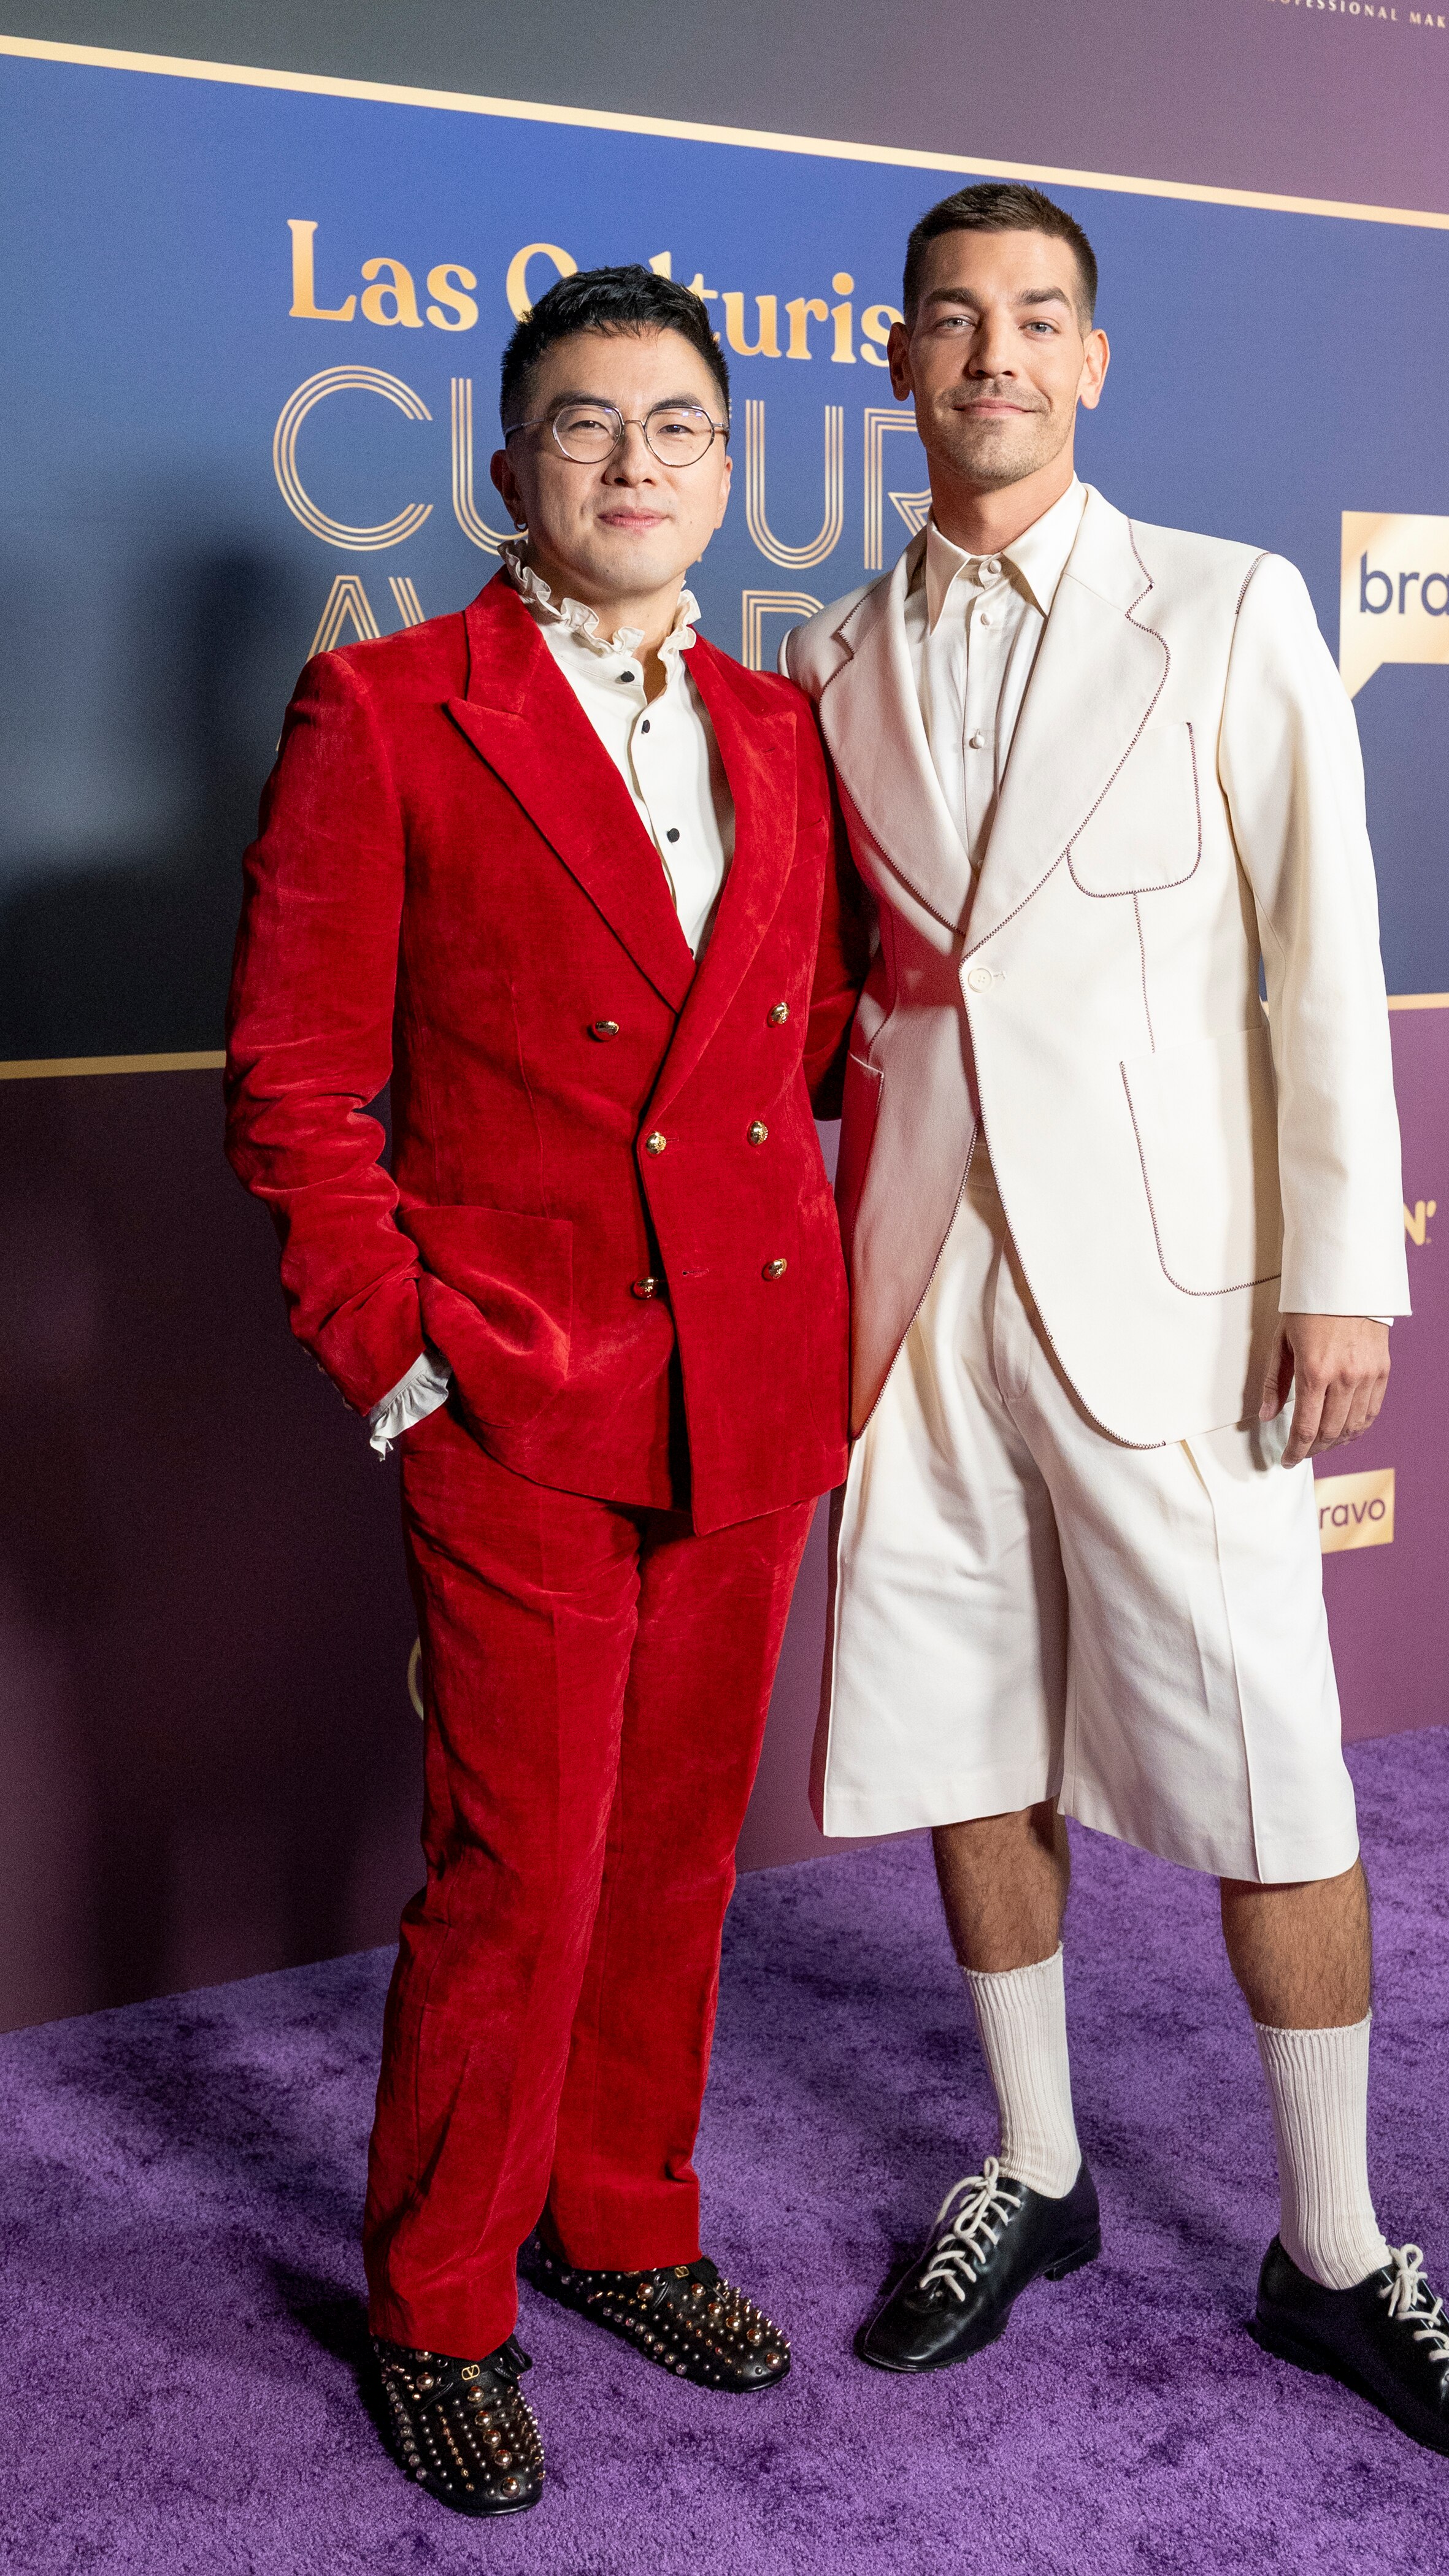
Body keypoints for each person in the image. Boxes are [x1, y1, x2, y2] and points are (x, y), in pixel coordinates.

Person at [785, 185, 1449, 2474]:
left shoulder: (1228, 608)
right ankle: (1035, 2170)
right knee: (962, 1738)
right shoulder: (829, 653)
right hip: (914, 1295)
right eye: (954, 320)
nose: (996, 356)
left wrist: (1347, 1265)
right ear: (899, 362)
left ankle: (1334, 2244)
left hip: (1179, 1299)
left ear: (1092, 362)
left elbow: (1327, 944)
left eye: (1038, 319)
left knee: (1271, 1778)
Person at [228, 266, 861, 2517]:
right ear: (511, 469)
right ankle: (439, 2304)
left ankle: (625, 2225)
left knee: (679, 1855)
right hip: (516, 1385)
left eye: (676, 426)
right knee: (523, 1870)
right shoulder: (389, 707)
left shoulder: (784, 729)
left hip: (749, 1380)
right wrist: (402, 1360)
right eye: (585, 425)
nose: (632, 462)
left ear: (729, 469)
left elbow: (804, 1049)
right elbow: (296, 1084)